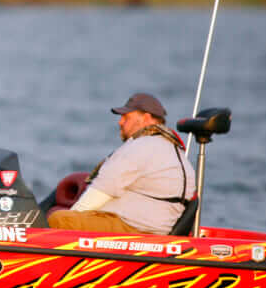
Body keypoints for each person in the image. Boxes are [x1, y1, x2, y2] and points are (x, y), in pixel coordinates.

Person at [49, 92, 196, 235]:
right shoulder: (176, 152)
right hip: (155, 227)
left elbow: (104, 188)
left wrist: (72, 219)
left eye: (126, 117)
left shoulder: (142, 146)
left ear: (146, 118)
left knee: (59, 219)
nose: (120, 122)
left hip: (135, 227)